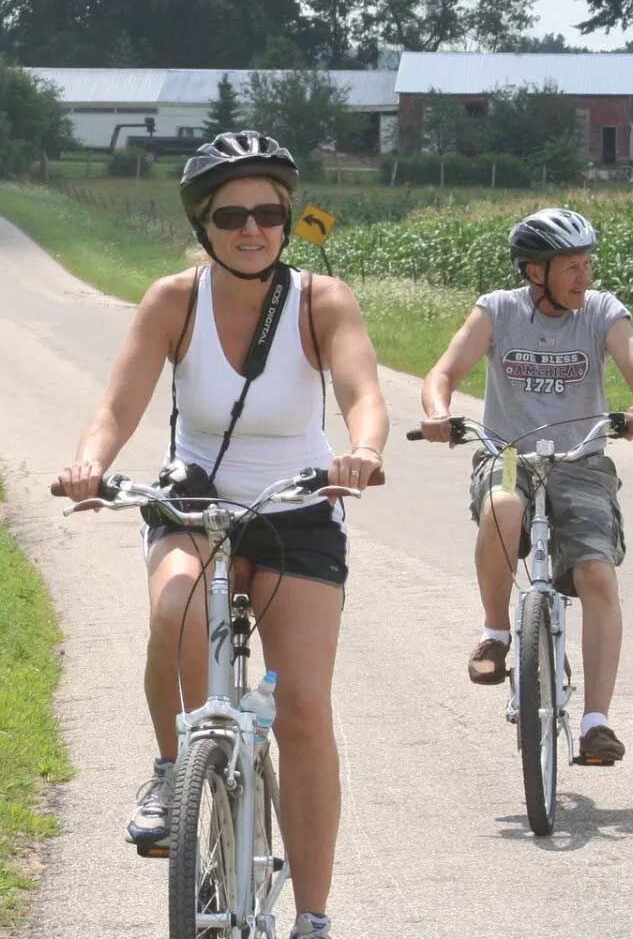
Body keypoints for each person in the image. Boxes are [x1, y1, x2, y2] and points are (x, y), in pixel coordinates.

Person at [57, 131, 388, 939]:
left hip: (298, 504)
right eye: (233, 214)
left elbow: (364, 392)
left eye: (270, 213)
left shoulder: (321, 299)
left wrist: (364, 451)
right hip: (196, 498)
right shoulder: (174, 300)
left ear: (287, 221)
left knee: (305, 711)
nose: (253, 229)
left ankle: (312, 916)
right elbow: (117, 407)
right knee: (172, 611)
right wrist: (89, 466)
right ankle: (173, 772)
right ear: (204, 224)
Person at [417, 207, 633, 765]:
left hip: (581, 459)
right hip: (508, 453)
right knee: (503, 508)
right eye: (571, 266)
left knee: (598, 573)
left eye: (586, 263)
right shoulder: (498, 310)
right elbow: (443, 373)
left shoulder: (601, 312)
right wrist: (438, 412)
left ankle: (597, 722)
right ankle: (497, 635)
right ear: (535, 272)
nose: (584, 276)